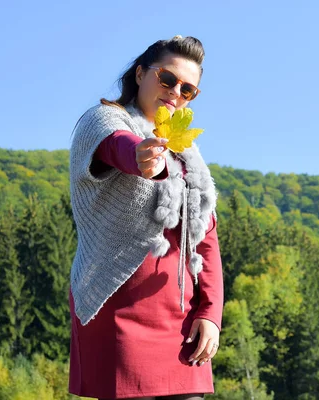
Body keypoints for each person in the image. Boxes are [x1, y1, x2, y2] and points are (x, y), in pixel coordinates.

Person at [68, 35, 223, 400]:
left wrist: (211, 313)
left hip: (181, 318)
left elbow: (207, 241)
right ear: (140, 74)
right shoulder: (104, 120)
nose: (175, 93)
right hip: (117, 309)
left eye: (188, 90)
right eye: (167, 79)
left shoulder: (189, 156)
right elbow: (117, 146)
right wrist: (140, 155)